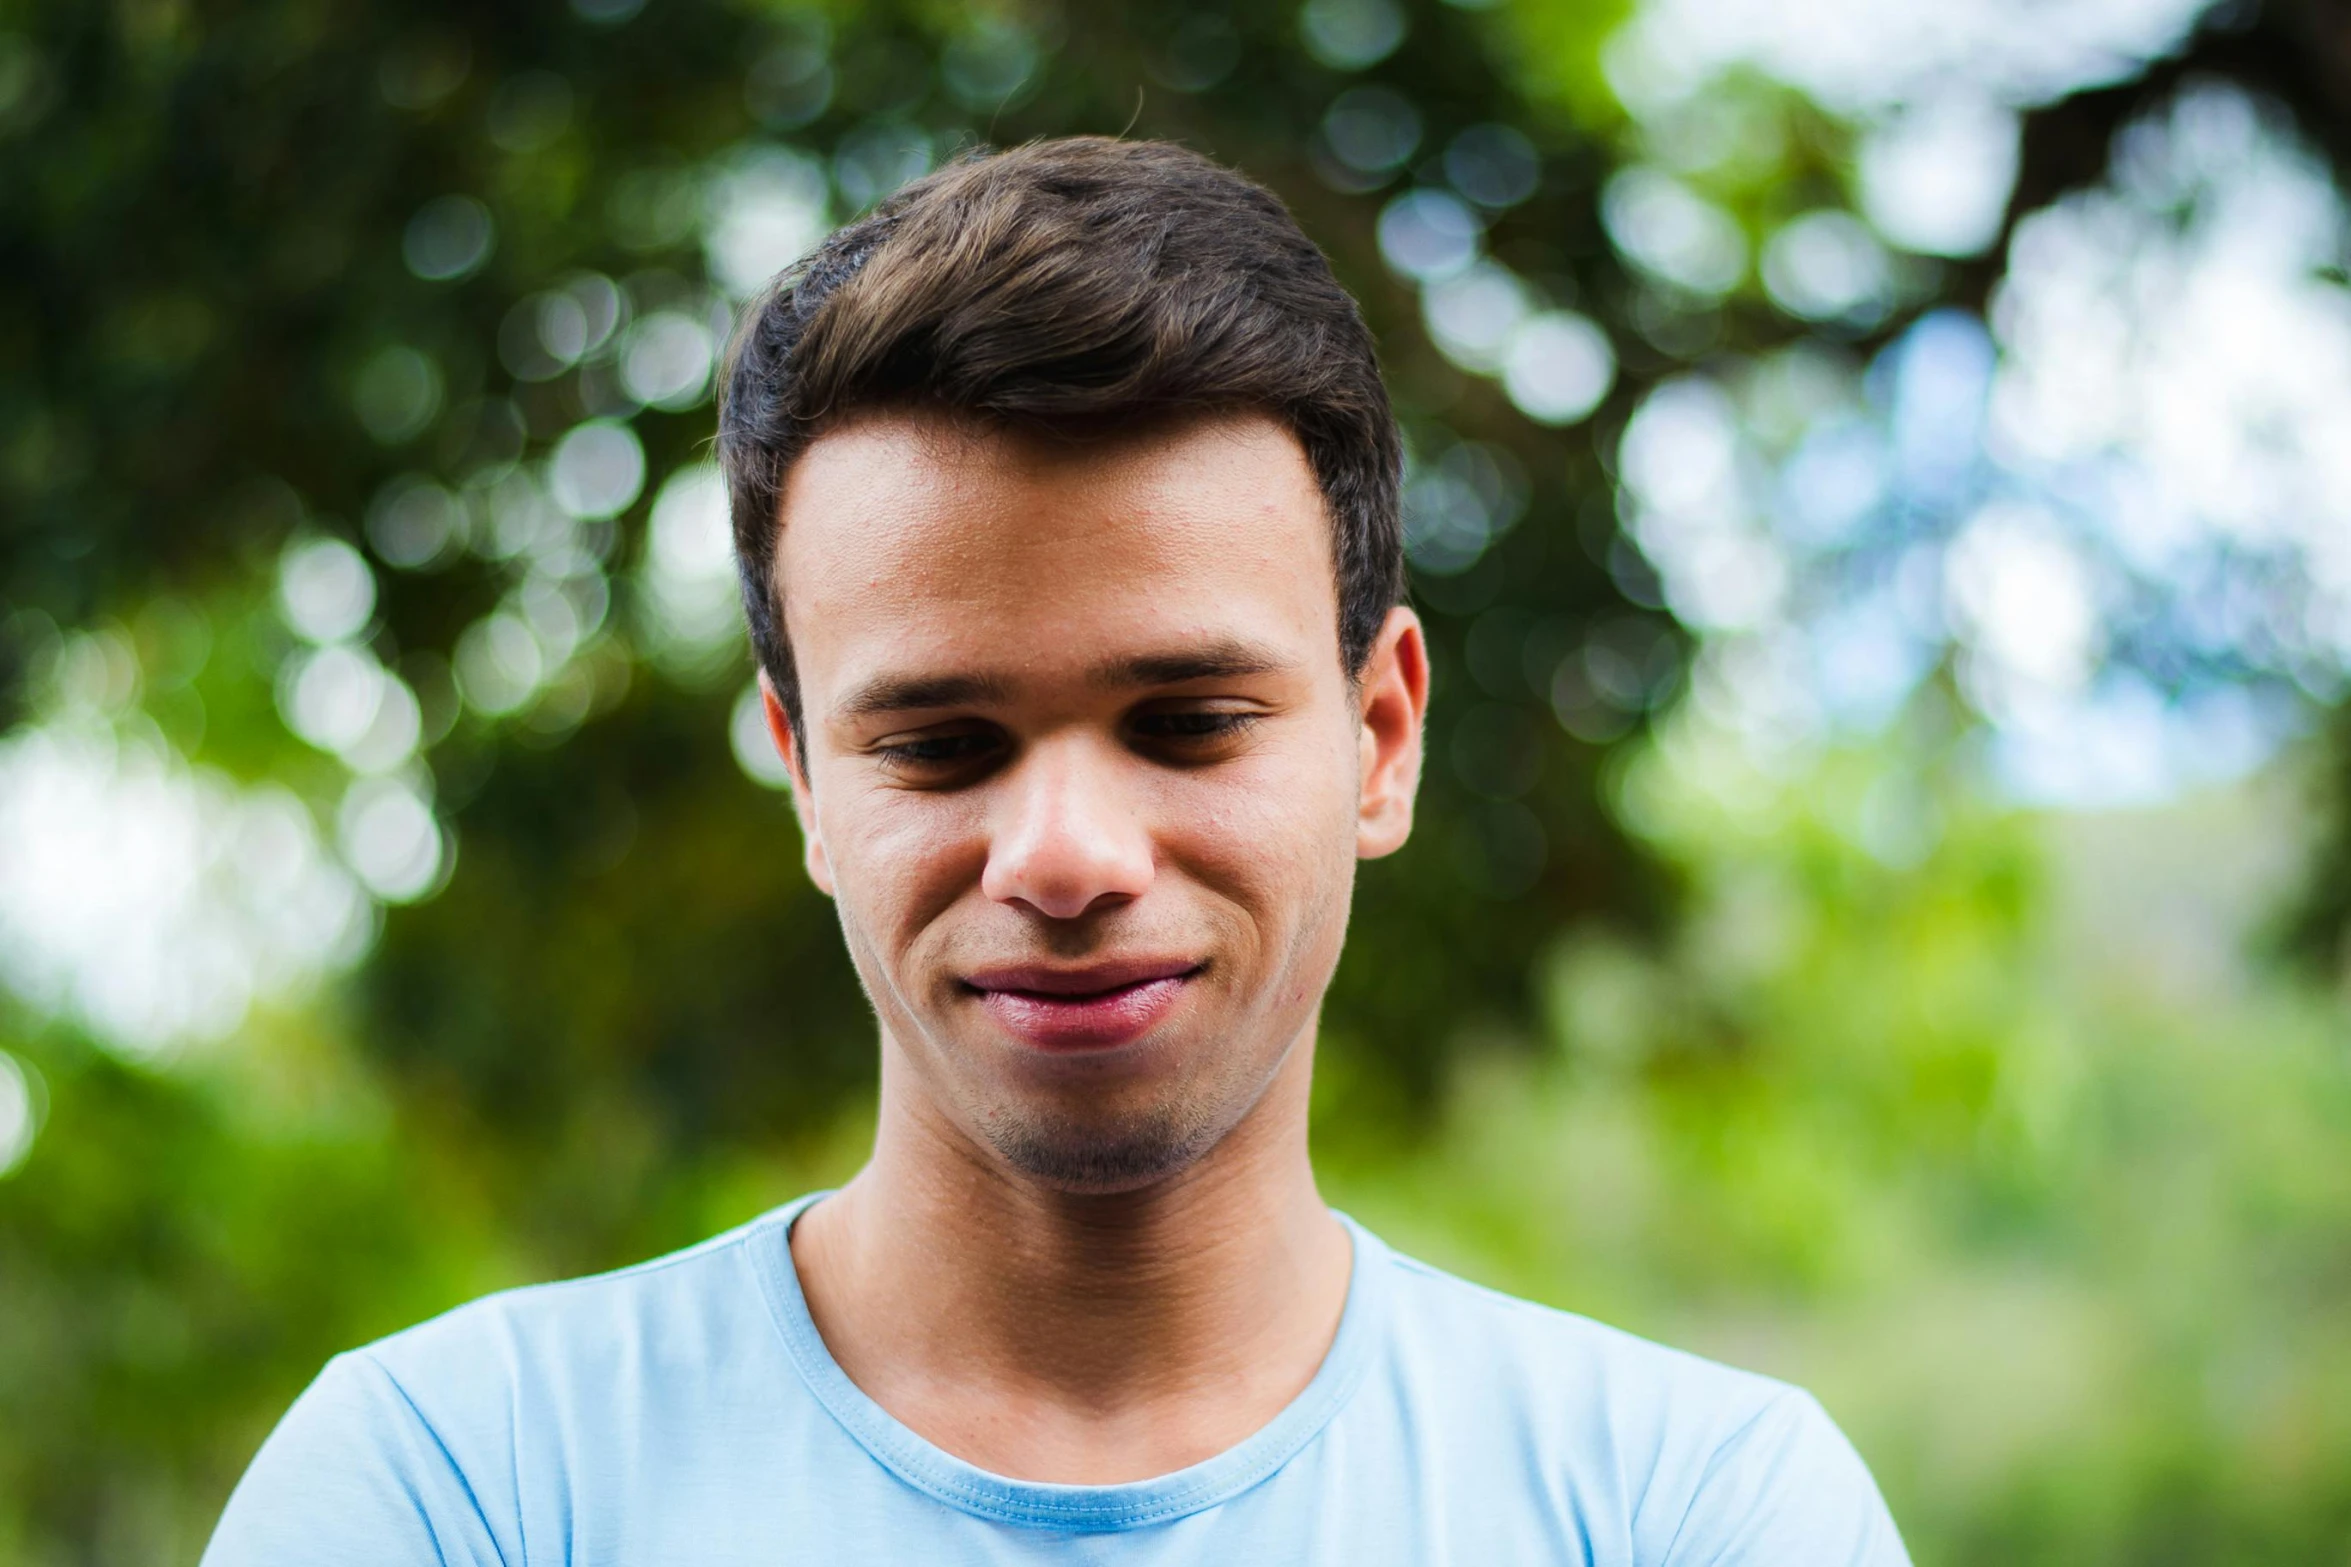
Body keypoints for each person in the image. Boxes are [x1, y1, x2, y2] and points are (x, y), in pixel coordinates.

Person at [204, 136, 1908, 1565]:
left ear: (1377, 735)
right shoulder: (457, 1489)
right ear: (805, 780)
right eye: (941, 745)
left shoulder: (1699, 1512)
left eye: (1187, 722)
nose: (1069, 856)